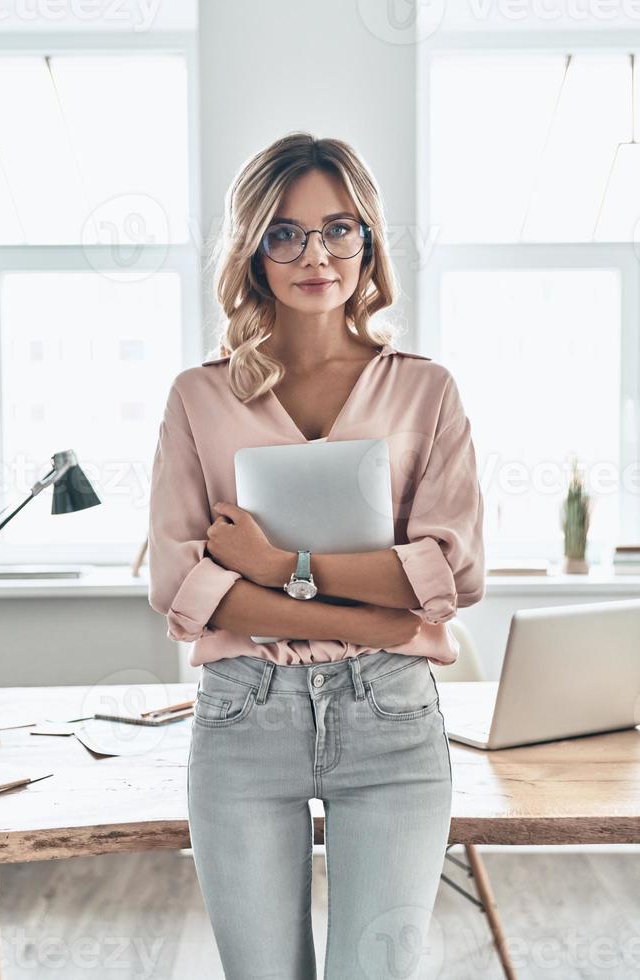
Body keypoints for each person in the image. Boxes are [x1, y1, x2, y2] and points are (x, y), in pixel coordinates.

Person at [148, 132, 485, 980]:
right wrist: (376, 611)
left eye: (339, 229)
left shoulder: (425, 389)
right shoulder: (198, 396)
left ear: (368, 242)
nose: (316, 255)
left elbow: (453, 570)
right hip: (242, 719)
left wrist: (274, 568)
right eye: (285, 233)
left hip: (392, 722)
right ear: (253, 251)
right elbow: (184, 584)